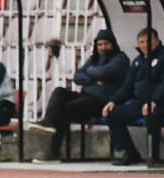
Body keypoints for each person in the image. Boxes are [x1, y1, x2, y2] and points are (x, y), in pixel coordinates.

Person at [28, 29, 130, 161]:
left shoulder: (121, 59)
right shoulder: (93, 59)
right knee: (59, 91)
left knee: (63, 109)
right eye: (100, 45)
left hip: (101, 102)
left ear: (113, 44)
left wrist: (90, 71)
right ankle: (48, 123)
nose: (103, 47)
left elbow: (104, 72)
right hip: (85, 96)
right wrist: (94, 79)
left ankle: (52, 152)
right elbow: (77, 76)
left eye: (106, 44)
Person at [101, 27, 164, 166]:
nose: (145, 45)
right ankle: (130, 153)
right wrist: (113, 100)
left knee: (152, 115)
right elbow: (127, 86)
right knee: (113, 114)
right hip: (141, 102)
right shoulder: (138, 61)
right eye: (141, 42)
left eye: (148, 41)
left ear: (157, 41)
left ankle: (154, 156)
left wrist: (155, 100)